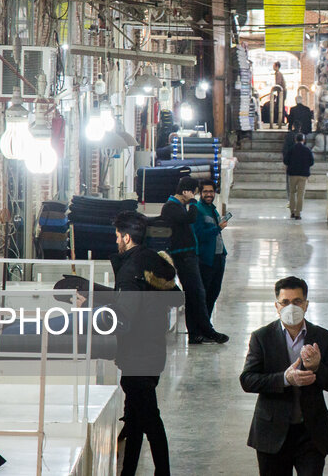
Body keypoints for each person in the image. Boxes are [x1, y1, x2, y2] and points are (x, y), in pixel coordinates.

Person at [240, 276, 328, 475]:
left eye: (297, 302)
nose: (291, 307)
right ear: (277, 306)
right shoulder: (262, 337)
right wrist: (285, 379)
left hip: (311, 434)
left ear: (306, 305)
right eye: (285, 302)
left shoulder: (324, 338)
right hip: (272, 432)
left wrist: (317, 367)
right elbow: (247, 380)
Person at [107, 211, 177, 476]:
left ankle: (163, 472)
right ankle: (128, 472)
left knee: (149, 419)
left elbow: (125, 317)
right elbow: (174, 298)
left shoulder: (130, 270)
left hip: (137, 354)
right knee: (135, 420)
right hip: (154, 350)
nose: (116, 242)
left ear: (126, 237)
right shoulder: (153, 261)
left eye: (117, 237)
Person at [160, 176, 229, 344]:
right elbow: (191, 219)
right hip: (183, 256)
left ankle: (200, 332)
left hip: (190, 254)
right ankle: (206, 331)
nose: (198, 197)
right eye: (197, 193)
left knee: (197, 294)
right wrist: (192, 202)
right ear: (187, 192)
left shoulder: (181, 206)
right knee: (196, 294)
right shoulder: (171, 207)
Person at [194, 179, 228, 317]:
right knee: (205, 294)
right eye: (205, 192)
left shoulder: (212, 209)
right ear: (200, 193)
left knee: (214, 292)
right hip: (207, 258)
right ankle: (203, 325)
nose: (209, 194)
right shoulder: (198, 210)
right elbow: (199, 235)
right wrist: (217, 228)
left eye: (211, 191)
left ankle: (207, 323)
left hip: (219, 256)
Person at [283, 133, 314, 220]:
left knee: (292, 193)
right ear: (303, 140)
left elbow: (285, 161)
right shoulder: (307, 150)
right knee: (301, 194)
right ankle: (298, 213)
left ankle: (292, 211)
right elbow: (312, 162)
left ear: (295, 140)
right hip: (303, 175)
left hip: (292, 174)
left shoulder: (291, 149)